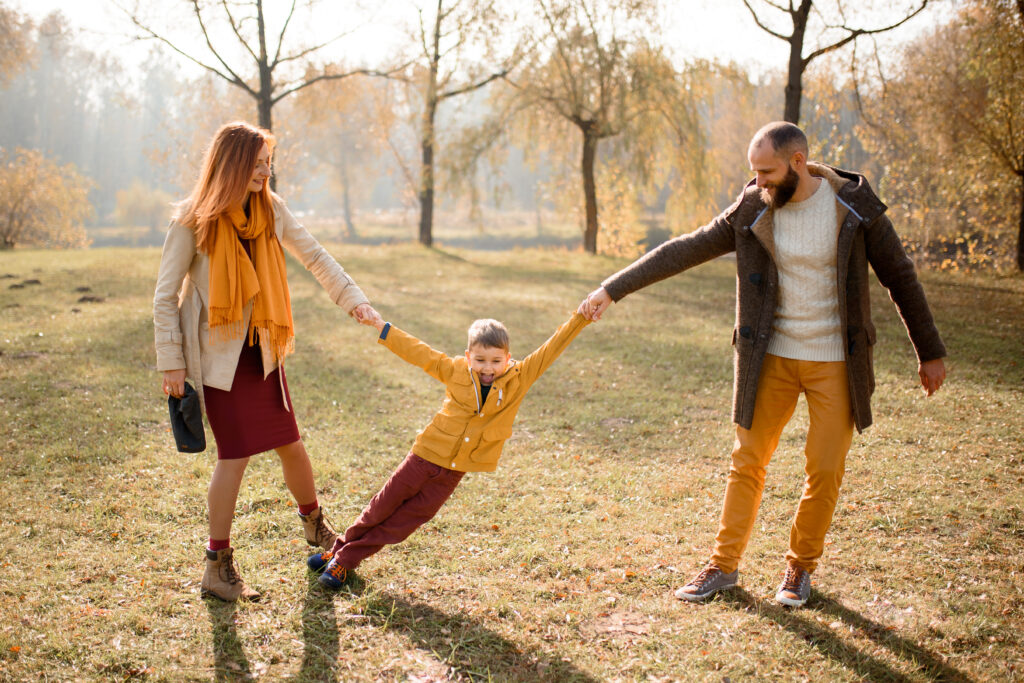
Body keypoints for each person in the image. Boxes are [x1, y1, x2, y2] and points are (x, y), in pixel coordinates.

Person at [578, 122, 947, 608]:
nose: (759, 182)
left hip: (836, 361)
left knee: (825, 468)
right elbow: (684, 249)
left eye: (767, 171)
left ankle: (799, 568)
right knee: (747, 461)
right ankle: (723, 566)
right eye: (754, 172)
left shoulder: (854, 207)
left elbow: (899, 275)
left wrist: (930, 350)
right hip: (769, 358)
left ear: (798, 162)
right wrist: (612, 289)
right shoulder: (753, 206)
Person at [153, 121, 383, 602]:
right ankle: (217, 567)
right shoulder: (191, 220)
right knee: (233, 458)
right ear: (233, 163)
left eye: (268, 163)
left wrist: (354, 301)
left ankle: (316, 529)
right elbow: (164, 296)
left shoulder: (270, 210)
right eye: (257, 163)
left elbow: (316, 256)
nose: (265, 172)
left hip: (264, 356)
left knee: (292, 446)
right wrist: (170, 363)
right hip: (220, 363)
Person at [306, 311, 590, 589]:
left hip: (453, 473)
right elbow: (420, 353)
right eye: (480, 360)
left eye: (495, 361)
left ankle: (342, 557)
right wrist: (381, 326)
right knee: (380, 508)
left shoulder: (520, 378)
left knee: (402, 524)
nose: (487, 368)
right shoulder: (456, 370)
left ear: (508, 358)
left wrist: (582, 317)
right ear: (468, 357)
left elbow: (552, 347)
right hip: (423, 457)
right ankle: (340, 556)